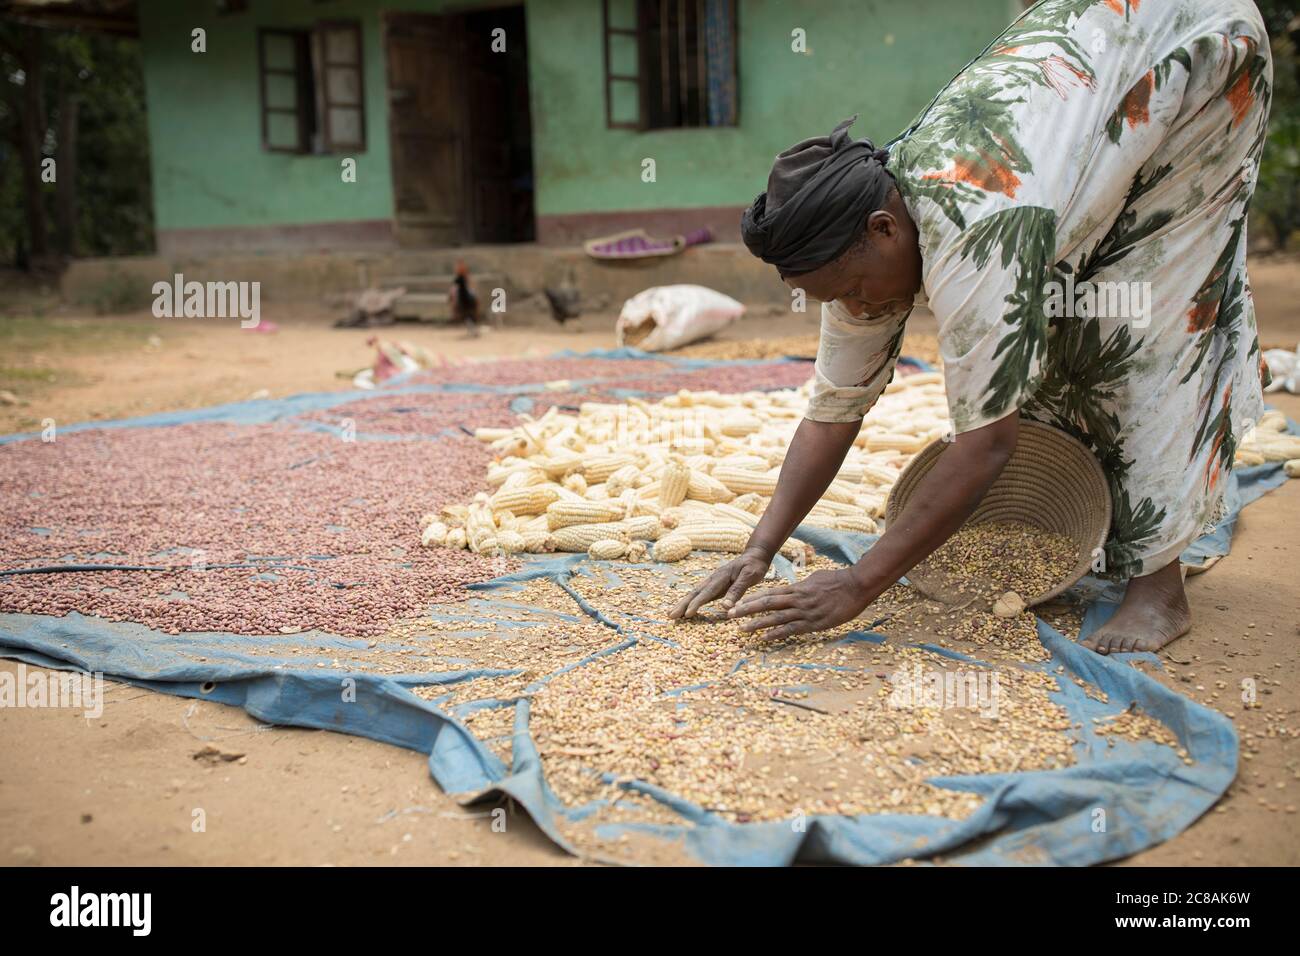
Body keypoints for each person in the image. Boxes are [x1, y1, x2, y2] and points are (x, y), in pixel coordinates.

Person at [671, 0, 1273, 656]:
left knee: (1138, 322)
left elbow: (986, 445)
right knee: (1048, 330)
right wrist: (761, 546)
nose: (856, 308)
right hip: (1111, 68)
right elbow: (833, 409)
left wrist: (859, 584)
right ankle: (1080, 524)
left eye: (852, 292)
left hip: (1203, 51)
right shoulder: (857, 238)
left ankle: (1159, 589)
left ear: (885, 230)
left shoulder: (976, 233)